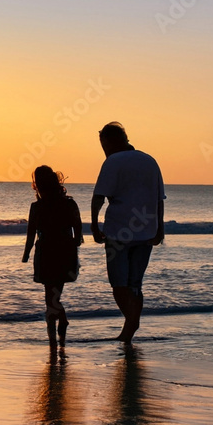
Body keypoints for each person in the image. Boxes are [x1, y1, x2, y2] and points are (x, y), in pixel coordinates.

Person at [90, 122, 165, 345]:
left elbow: (98, 197)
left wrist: (94, 225)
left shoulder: (112, 161)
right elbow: (159, 199)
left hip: (118, 231)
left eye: (102, 143)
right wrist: (160, 228)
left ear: (108, 141)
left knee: (119, 284)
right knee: (135, 284)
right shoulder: (150, 160)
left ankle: (132, 322)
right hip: (146, 232)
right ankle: (130, 328)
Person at [22, 166, 83, 349]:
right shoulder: (69, 204)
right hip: (65, 250)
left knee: (50, 296)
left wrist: (26, 255)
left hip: (47, 251)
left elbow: (31, 234)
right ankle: (58, 328)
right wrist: (73, 245)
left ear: (38, 185)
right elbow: (78, 231)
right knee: (54, 295)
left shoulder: (37, 207)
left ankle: (53, 337)